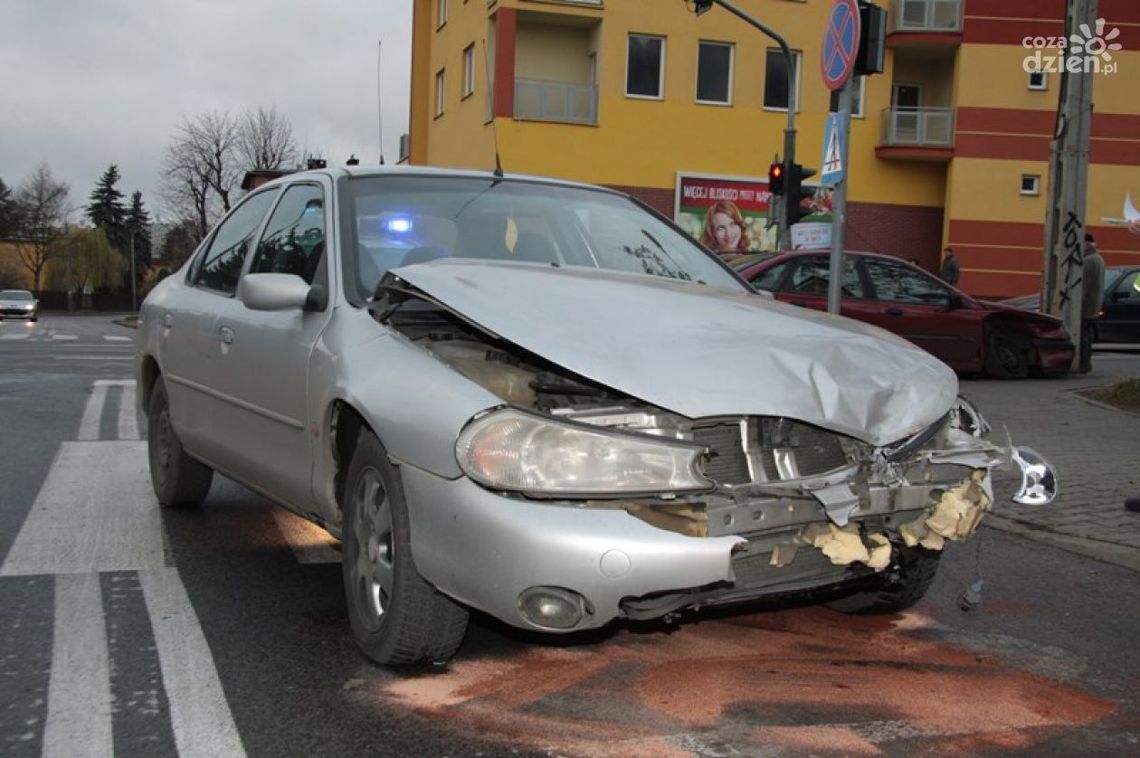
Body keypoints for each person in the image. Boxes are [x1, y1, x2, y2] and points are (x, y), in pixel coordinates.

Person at [1079, 232, 1105, 373]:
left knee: (1082, 336)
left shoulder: (1088, 261)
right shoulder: (1098, 258)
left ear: (1087, 244)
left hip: (1086, 307)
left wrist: (1077, 306)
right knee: (1086, 335)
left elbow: (1084, 287)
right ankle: (1085, 362)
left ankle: (1083, 363)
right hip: (1094, 306)